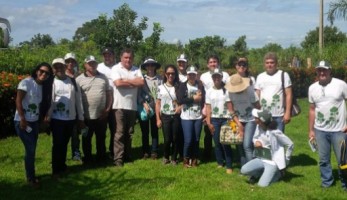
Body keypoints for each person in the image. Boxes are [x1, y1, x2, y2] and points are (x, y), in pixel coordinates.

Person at [308, 60, 347, 190]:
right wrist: (311, 130)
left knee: (343, 160)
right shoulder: (312, 88)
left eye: (324, 70)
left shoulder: (341, 85)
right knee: (323, 159)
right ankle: (326, 183)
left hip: (339, 130)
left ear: (330, 71)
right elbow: (312, 109)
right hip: (320, 131)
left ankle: (345, 184)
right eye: (319, 70)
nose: (322, 72)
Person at [14, 62, 53, 187]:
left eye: (47, 73)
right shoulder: (26, 82)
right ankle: (31, 178)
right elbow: (18, 100)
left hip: (34, 122)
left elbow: (41, 105)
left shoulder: (43, 86)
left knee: (32, 149)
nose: (44, 74)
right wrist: (22, 119)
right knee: (30, 150)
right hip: (23, 121)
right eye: (42, 71)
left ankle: (30, 174)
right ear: (37, 70)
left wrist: (42, 119)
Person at [45, 58, 84, 178]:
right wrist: (47, 117)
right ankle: (56, 170)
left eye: (61, 66)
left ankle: (62, 166)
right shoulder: (50, 82)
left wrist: (81, 117)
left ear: (65, 67)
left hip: (70, 118)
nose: (59, 69)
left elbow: (78, 100)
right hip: (56, 119)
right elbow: (48, 101)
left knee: (65, 143)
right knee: (57, 144)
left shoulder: (72, 81)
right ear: (53, 69)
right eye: (56, 67)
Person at [241, 109, 294, 187]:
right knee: (243, 170)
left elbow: (290, 144)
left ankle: (278, 174)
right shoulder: (258, 127)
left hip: (272, 162)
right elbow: (255, 138)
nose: (254, 119)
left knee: (261, 185)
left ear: (261, 121)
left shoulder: (275, 132)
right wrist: (256, 142)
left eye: (256, 118)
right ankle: (261, 172)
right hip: (261, 158)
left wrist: (287, 159)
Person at [205, 68, 243, 174]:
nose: (216, 78)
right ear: (212, 78)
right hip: (215, 119)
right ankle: (220, 163)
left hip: (228, 119)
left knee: (227, 142)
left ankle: (230, 165)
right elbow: (208, 107)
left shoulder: (227, 89)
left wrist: (234, 119)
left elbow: (232, 105)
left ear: (222, 77)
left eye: (218, 76)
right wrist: (208, 122)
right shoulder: (209, 91)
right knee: (217, 142)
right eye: (214, 76)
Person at [76, 55, 113, 164]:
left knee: (101, 138)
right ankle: (88, 159)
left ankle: (101, 157)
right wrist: (80, 117)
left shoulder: (103, 77)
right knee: (86, 138)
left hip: (101, 115)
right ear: (85, 65)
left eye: (94, 63)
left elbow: (109, 93)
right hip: (86, 116)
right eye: (90, 63)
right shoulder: (78, 79)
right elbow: (76, 99)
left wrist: (107, 109)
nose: (92, 65)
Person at [111, 49, 144, 167]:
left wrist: (126, 80)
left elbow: (141, 83)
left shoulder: (136, 69)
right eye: (125, 57)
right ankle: (118, 159)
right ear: (121, 58)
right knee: (119, 133)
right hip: (119, 105)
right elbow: (118, 84)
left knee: (129, 132)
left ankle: (127, 155)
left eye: (130, 58)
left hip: (132, 106)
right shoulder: (115, 68)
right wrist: (133, 82)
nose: (128, 60)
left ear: (133, 59)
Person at [226, 59, 260, 164]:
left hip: (250, 119)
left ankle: (252, 171)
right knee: (239, 144)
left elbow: (257, 106)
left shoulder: (249, 90)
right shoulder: (229, 92)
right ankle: (244, 167)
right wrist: (239, 124)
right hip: (237, 118)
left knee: (247, 145)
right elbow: (230, 109)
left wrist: (259, 119)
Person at [200, 54, 230, 161]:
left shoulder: (225, 75)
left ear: (218, 63)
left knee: (224, 133)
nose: (213, 64)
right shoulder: (203, 76)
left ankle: (226, 156)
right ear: (208, 64)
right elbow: (202, 92)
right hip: (208, 105)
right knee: (209, 132)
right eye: (211, 62)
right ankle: (208, 154)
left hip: (222, 106)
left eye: (215, 61)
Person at [254, 52, 293, 132]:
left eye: (272, 62)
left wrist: (288, 112)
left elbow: (289, 94)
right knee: (264, 142)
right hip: (263, 115)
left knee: (278, 141)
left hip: (279, 115)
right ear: (264, 64)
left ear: (276, 63)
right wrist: (256, 114)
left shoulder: (283, 75)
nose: (269, 65)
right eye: (267, 63)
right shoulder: (260, 76)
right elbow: (257, 96)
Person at [177, 66, 205, 167]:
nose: (192, 76)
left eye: (194, 74)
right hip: (186, 117)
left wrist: (203, 110)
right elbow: (180, 100)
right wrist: (193, 98)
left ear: (196, 75)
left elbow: (203, 100)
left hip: (197, 116)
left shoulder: (200, 86)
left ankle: (194, 158)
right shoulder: (183, 86)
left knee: (196, 139)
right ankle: (186, 159)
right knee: (188, 140)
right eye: (190, 74)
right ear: (187, 75)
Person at [156, 64, 181, 165]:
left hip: (175, 116)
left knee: (175, 138)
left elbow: (182, 101)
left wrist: (180, 107)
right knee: (167, 139)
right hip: (165, 116)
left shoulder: (179, 86)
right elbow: (158, 104)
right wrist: (158, 119)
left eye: (173, 73)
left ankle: (174, 158)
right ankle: (166, 156)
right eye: (168, 73)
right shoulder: (160, 87)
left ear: (175, 74)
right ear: (165, 74)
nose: (171, 75)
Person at [137, 57, 162, 160]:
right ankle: (145, 151)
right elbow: (138, 94)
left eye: (152, 65)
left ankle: (154, 151)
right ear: (145, 67)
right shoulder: (142, 79)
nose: (150, 67)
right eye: (148, 65)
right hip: (145, 108)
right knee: (145, 131)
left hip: (156, 108)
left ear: (155, 66)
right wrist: (144, 104)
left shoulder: (160, 79)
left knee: (155, 131)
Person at [97, 47, 117, 158]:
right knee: (101, 130)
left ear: (114, 56)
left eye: (109, 54)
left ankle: (113, 151)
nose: (107, 57)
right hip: (103, 102)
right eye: (105, 55)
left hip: (116, 102)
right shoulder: (99, 67)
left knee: (115, 129)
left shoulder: (118, 67)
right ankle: (101, 153)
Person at [64, 52, 82, 161]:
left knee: (75, 134)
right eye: (68, 61)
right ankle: (60, 154)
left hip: (75, 108)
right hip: (63, 109)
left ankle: (76, 153)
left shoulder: (78, 75)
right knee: (62, 135)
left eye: (72, 61)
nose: (70, 63)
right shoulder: (61, 75)